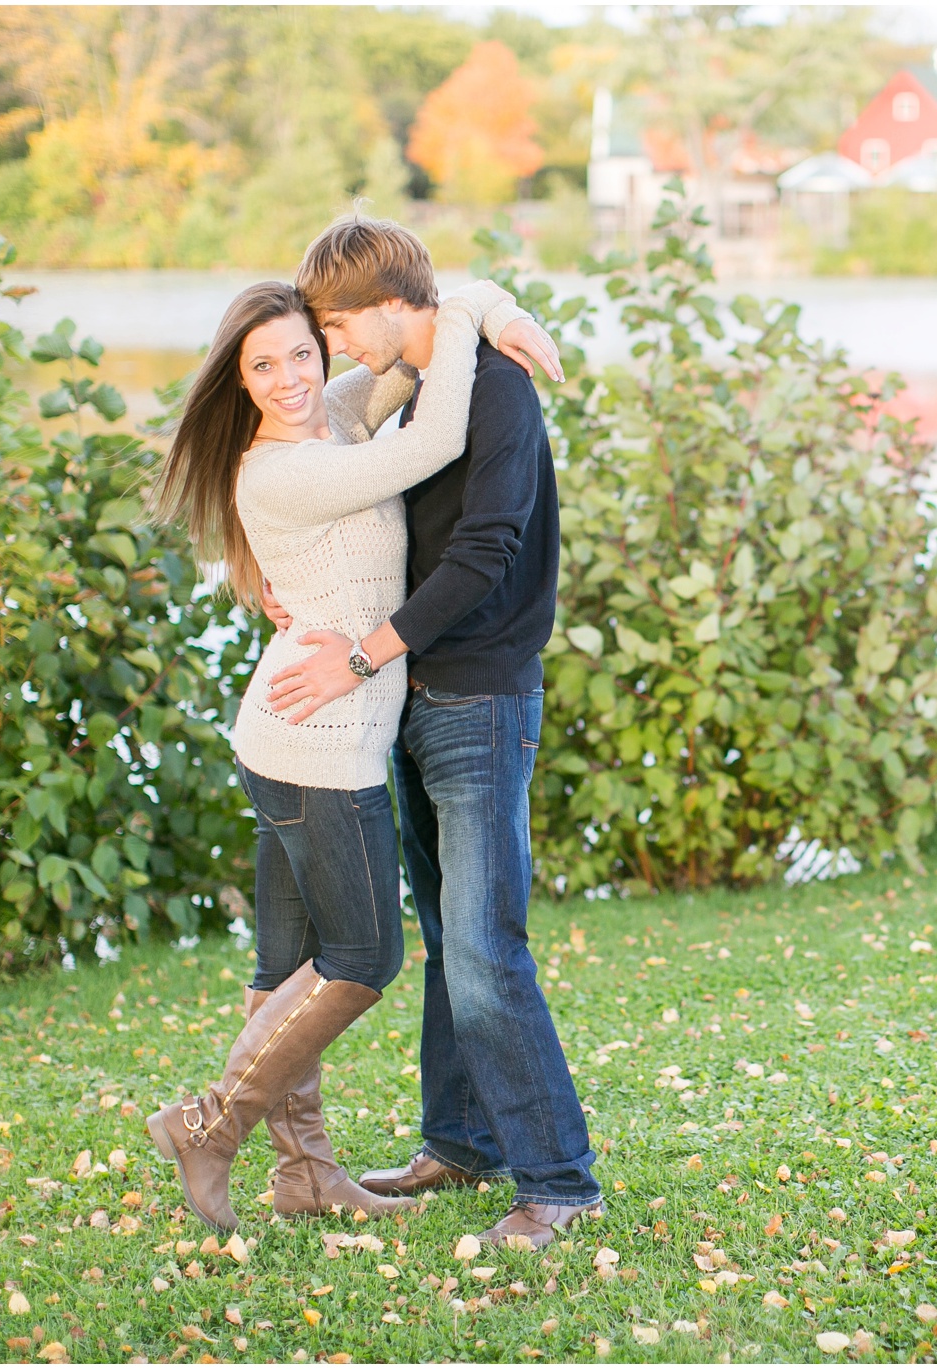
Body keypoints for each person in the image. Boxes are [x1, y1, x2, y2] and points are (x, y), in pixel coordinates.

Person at [144, 264, 561, 1232]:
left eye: (303, 349)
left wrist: (484, 301)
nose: (290, 375)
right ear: (235, 381)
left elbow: (400, 312)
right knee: (362, 958)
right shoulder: (287, 465)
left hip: (302, 734)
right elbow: (439, 432)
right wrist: (469, 312)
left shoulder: (331, 409)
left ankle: (304, 1175)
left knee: (283, 962)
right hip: (314, 743)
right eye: (264, 365)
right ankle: (212, 1126)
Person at [260, 214, 601, 1250]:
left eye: (338, 325)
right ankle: (457, 1144)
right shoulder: (408, 390)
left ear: (387, 304)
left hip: (478, 700)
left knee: (489, 948)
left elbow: (486, 552)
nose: (335, 348)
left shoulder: (494, 387)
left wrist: (364, 651)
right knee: (451, 941)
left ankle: (559, 1184)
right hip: (412, 695)